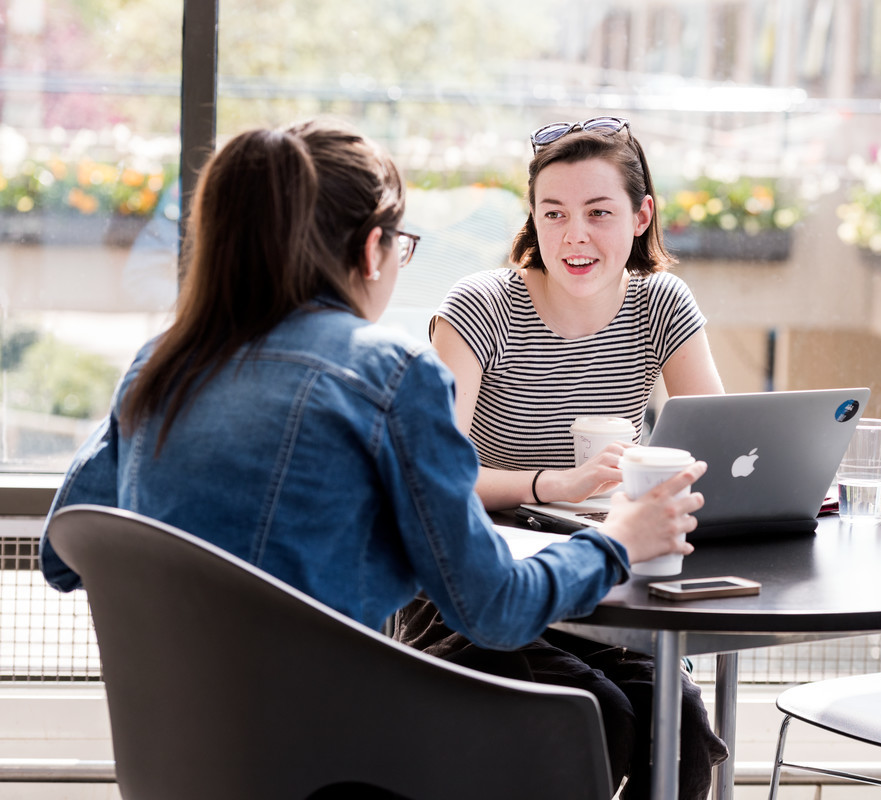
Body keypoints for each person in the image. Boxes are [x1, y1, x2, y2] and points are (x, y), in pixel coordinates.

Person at [38, 117, 708, 655]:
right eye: (401, 242)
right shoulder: (388, 373)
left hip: (178, 751)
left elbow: (62, 556)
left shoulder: (160, 362)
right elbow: (495, 610)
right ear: (371, 250)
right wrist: (617, 538)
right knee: (618, 719)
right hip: (345, 745)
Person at [398, 116, 728, 800]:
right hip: (478, 592)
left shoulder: (660, 303)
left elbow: (719, 447)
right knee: (593, 713)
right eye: (553, 213)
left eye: (597, 213)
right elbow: (430, 481)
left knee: (685, 725)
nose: (573, 235)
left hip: (602, 589)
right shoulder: (481, 306)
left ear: (641, 216)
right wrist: (554, 483)